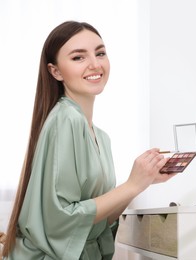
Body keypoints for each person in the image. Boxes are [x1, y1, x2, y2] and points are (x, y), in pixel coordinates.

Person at [2, 21, 176, 259]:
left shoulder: (101, 137)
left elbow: (95, 221)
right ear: (55, 71)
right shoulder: (66, 120)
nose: (95, 64)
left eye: (100, 53)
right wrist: (131, 185)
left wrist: (142, 182)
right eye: (78, 58)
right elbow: (63, 219)